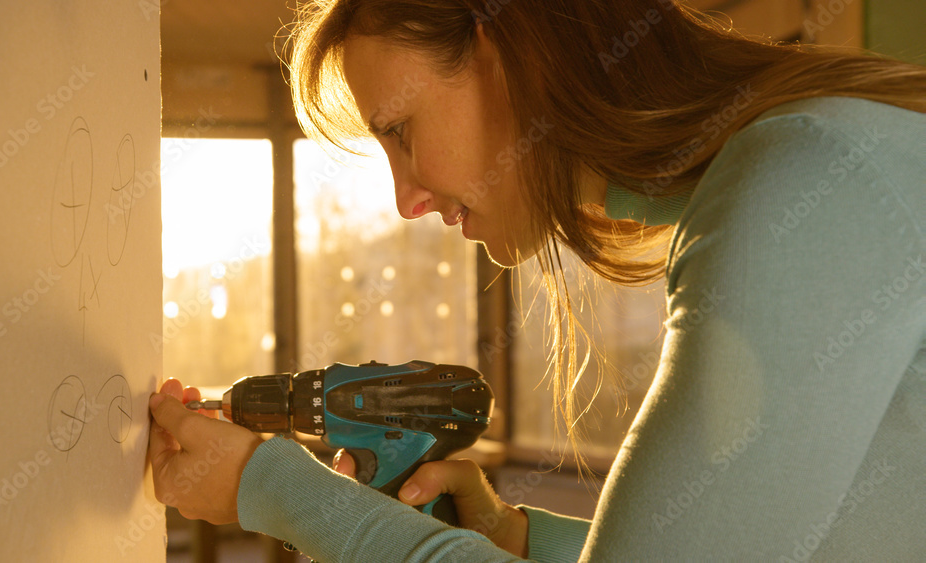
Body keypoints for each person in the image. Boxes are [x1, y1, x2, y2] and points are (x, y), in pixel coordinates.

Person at [149, 0, 926, 560]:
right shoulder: (808, 170)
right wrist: (515, 538)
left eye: (400, 131)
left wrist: (273, 488)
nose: (405, 199)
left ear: (510, 54)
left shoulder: (809, 183)